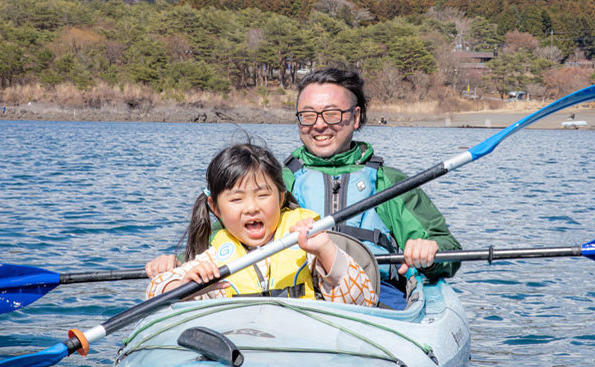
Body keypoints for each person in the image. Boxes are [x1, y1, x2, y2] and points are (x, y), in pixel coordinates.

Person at [147, 68, 461, 309]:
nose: (319, 125)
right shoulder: (271, 181)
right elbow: (220, 240)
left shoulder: (389, 182)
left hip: (376, 302)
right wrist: (175, 264)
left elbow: (449, 250)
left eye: (332, 114)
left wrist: (430, 253)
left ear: (355, 118)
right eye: (308, 115)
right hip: (289, 306)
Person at [146, 143, 378, 307]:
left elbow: (364, 301)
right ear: (215, 208)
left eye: (262, 195)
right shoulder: (215, 257)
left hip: (304, 350)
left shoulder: (309, 247)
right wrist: (182, 287)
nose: (251, 208)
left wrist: (326, 251)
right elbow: (154, 292)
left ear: (280, 197)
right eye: (236, 199)